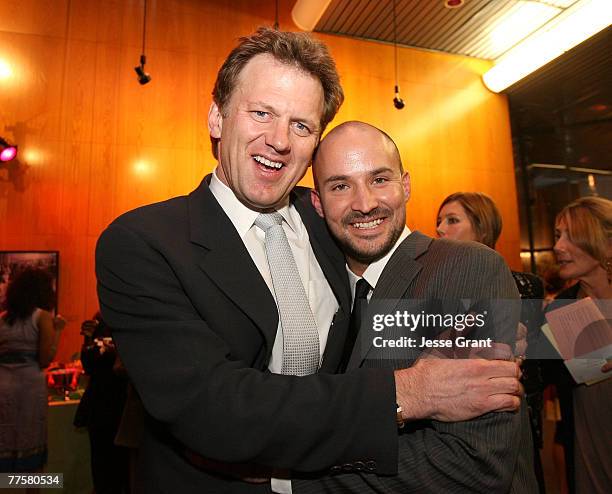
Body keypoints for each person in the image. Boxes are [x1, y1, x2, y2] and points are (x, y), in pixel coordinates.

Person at [96, 28, 523, 494]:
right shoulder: (143, 242)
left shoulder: (331, 217)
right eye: (261, 113)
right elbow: (214, 408)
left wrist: (498, 324)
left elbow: (390, 302)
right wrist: (412, 392)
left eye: (301, 125)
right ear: (217, 118)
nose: (279, 140)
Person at [297, 121, 537, 493]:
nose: (364, 204)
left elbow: (473, 463)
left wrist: (291, 474)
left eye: (379, 179)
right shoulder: (322, 291)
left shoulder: (468, 266)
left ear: (405, 185)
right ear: (318, 202)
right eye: (341, 186)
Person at [436, 191, 547, 492]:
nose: (440, 228)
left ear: (482, 228)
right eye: (439, 221)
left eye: (452, 220)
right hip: (454, 430)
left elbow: (536, 368)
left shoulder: (524, 286)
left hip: (514, 414)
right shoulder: (437, 291)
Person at [545, 196, 612, 494]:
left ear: (606, 243)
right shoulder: (563, 308)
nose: (558, 246)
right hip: (592, 451)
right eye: (558, 235)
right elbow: (543, 377)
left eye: (571, 235)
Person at [0, 268, 65, 481]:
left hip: (4, 384)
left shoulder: (2, 319)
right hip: (29, 386)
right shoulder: (42, 317)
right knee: (31, 445)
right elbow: (46, 358)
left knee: (5, 438)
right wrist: (58, 330)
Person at [73, 313, 129, 494]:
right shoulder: (100, 320)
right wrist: (87, 339)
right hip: (99, 404)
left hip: (122, 404)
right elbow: (88, 366)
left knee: (123, 470)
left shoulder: (132, 320)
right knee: (101, 469)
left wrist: (116, 353)